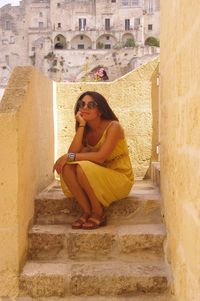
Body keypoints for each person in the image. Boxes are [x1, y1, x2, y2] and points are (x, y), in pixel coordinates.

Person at [53, 91, 134, 230]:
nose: (85, 108)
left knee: (81, 167)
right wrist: (81, 125)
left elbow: (100, 157)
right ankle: (87, 211)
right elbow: (72, 153)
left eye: (91, 105)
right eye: (81, 104)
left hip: (119, 178)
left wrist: (69, 156)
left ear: (100, 110)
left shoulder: (114, 126)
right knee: (67, 168)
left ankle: (98, 212)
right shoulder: (85, 131)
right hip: (96, 175)